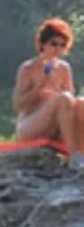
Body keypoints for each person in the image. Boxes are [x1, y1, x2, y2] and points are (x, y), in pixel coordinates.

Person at [14, 18, 84, 167]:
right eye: (53, 43)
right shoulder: (28, 68)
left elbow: (70, 101)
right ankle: (73, 155)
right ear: (42, 44)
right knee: (63, 98)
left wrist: (56, 96)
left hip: (57, 125)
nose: (57, 48)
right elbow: (18, 105)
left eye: (62, 45)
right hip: (31, 123)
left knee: (81, 103)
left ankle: (80, 153)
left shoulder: (64, 69)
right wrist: (40, 87)